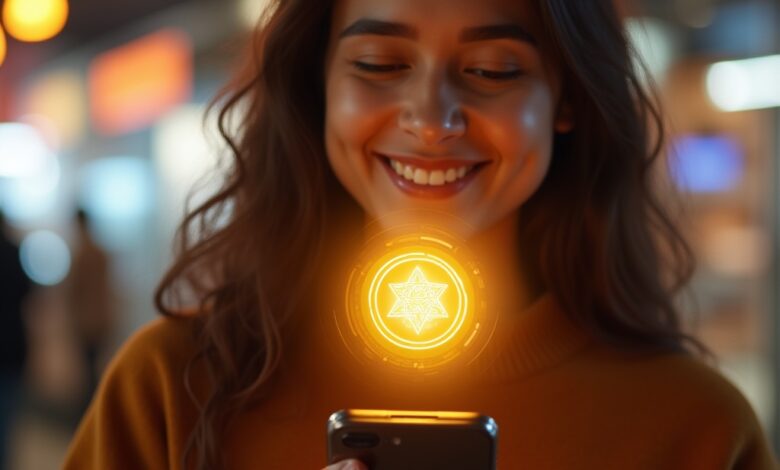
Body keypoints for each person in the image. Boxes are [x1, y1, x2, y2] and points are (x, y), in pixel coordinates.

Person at [64, 0, 779, 469]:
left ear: (565, 99)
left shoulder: (692, 427)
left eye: (492, 70)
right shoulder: (173, 388)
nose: (432, 118)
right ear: (319, 89)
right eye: (379, 64)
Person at [63, 208, 115, 419]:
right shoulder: (100, 252)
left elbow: (73, 291)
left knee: (88, 371)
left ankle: (90, 415)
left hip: (85, 321)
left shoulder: (82, 254)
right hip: (100, 318)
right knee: (93, 366)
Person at [0, 210, 32, 470]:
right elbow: (27, 291)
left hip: (11, 347)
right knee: (7, 414)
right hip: (11, 345)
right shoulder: (12, 252)